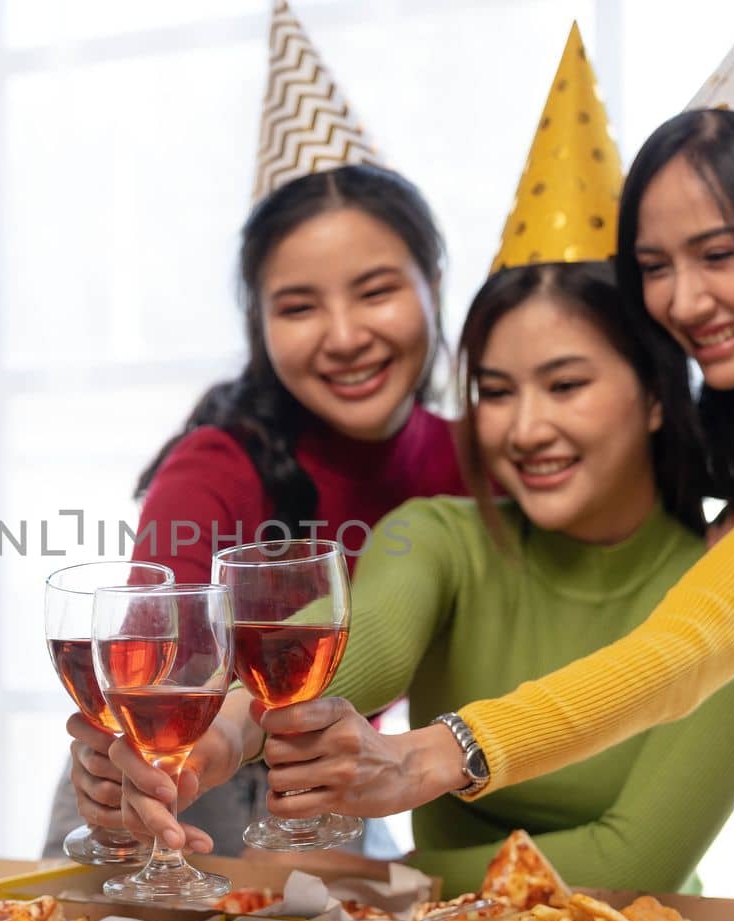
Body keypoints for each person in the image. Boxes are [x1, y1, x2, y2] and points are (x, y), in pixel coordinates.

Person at [185, 106, 734, 921]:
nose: (685, 297)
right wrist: (217, 734)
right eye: (656, 266)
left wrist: (412, 797)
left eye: (720, 252)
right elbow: (355, 642)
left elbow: (682, 656)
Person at [106, 27, 734, 895]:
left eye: (568, 383)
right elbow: (356, 645)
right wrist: (221, 734)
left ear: (658, 394)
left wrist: (378, 874)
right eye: (499, 391)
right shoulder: (432, 527)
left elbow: (637, 863)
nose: (524, 428)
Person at [43, 4, 470, 859]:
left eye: (377, 290)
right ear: (260, 326)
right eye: (299, 305)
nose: (345, 334)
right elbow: (151, 683)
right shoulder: (216, 466)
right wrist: (128, 776)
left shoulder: (472, 465)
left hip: (331, 783)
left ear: (432, 286)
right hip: (185, 786)